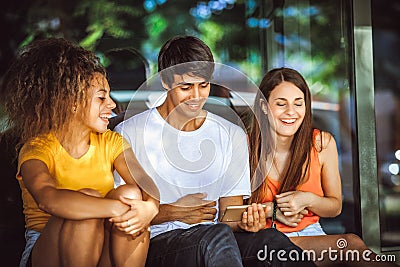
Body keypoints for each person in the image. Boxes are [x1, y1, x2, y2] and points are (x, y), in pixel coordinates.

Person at [114, 35, 316, 267]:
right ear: (166, 82)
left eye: (204, 85)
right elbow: (123, 216)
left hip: (218, 241)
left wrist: (247, 222)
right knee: (216, 238)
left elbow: (227, 216)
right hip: (157, 243)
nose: (197, 96)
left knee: (270, 240)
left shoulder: (231, 134)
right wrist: (174, 212)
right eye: (186, 87)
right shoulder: (129, 132)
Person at [0, 38, 159, 267]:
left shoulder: (111, 142)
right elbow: (48, 199)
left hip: (100, 248)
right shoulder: (37, 149)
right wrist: (115, 208)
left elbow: (145, 184)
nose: (113, 105)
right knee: (88, 203)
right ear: (72, 102)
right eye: (102, 98)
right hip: (48, 252)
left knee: (132, 194)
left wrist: (150, 207)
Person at [248, 67, 398, 266]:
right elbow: (227, 215)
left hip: (312, 235)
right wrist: (271, 211)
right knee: (351, 245)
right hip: (265, 242)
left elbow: (335, 207)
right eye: (281, 104)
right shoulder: (246, 147)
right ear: (264, 106)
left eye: (298, 104)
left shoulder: (321, 143)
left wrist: (307, 199)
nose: (291, 112)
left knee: (352, 247)